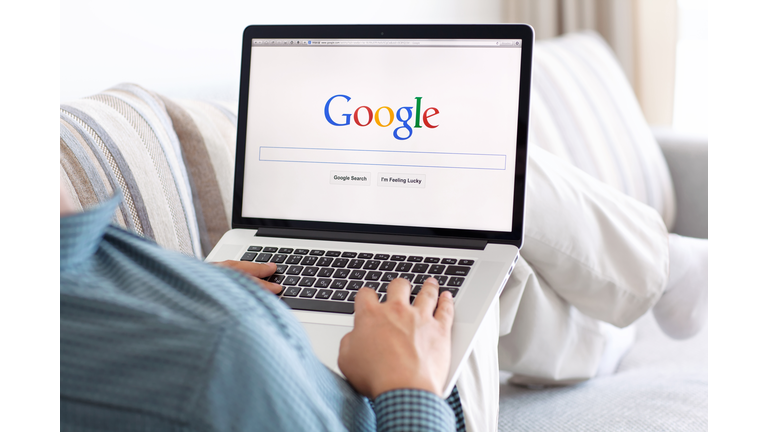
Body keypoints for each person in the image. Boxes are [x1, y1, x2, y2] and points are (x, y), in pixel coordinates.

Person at [61, 145, 708, 431]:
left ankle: (626, 313)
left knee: (483, 249)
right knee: (468, 177)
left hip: (305, 344)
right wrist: (407, 383)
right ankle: (656, 278)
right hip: (412, 400)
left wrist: (191, 284)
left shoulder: (73, 254)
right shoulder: (216, 360)